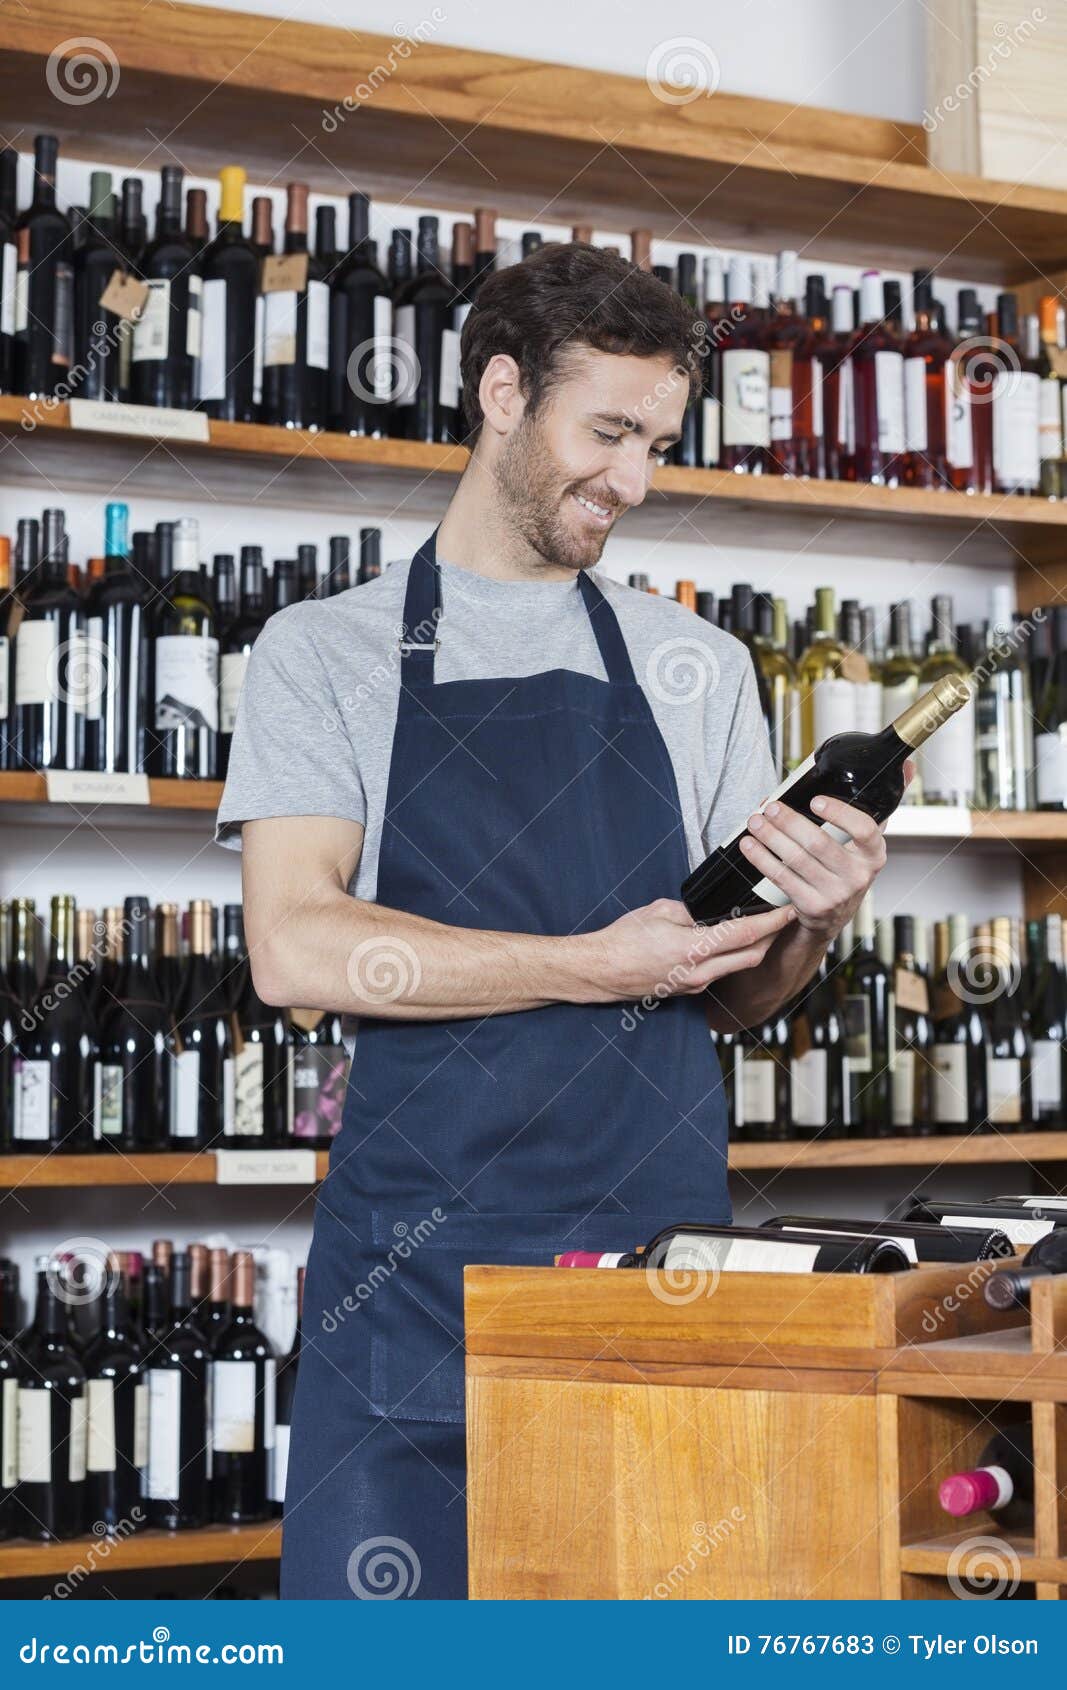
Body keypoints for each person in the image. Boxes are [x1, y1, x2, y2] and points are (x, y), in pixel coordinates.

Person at [215, 242, 891, 1599]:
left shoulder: (698, 668)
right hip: (416, 1291)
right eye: (609, 433)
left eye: (659, 444)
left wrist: (817, 922)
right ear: (504, 392)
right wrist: (591, 965)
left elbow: (732, 993)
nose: (634, 481)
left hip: (657, 1277)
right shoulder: (326, 651)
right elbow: (295, 946)